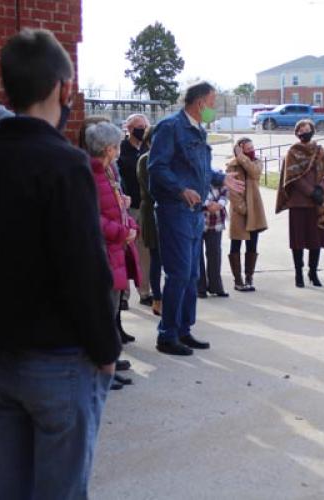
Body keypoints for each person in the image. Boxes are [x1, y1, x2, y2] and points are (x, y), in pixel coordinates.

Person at [0, 29, 119, 499]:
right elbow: (85, 271)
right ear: (62, 88)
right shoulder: (65, 165)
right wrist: (106, 349)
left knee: (13, 487)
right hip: (59, 362)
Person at [148, 81, 244, 356]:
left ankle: (183, 330)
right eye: (212, 104)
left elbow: (199, 170)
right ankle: (166, 335)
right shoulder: (170, 127)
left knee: (192, 275)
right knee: (178, 274)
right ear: (200, 102)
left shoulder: (198, 130)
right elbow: (157, 167)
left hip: (194, 212)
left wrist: (219, 177)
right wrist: (180, 189)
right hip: (174, 210)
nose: (214, 110)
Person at [85, 121, 141, 388]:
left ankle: (108, 364)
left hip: (115, 251)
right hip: (103, 253)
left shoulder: (107, 173)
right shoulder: (91, 176)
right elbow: (92, 218)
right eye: (118, 145)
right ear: (109, 149)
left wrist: (130, 226)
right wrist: (121, 231)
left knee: (111, 312)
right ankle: (100, 371)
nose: (120, 149)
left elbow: (116, 208)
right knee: (103, 316)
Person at [276, 119, 324, 288]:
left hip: (318, 203)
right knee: (298, 241)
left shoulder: (320, 151)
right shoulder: (292, 152)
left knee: (316, 240)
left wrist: (321, 190)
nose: (304, 130)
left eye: (307, 128)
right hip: (299, 202)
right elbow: (292, 177)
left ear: (312, 130)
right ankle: (298, 273)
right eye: (301, 128)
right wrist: (310, 191)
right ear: (297, 133)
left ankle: (313, 272)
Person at [118, 113, 152, 308]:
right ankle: (123, 295)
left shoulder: (149, 150)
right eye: (139, 126)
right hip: (128, 208)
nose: (142, 129)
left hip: (145, 207)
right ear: (129, 129)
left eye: (145, 126)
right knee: (125, 252)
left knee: (144, 252)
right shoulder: (122, 150)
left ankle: (145, 291)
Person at [226, 138, 267, 292]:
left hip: (254, 210)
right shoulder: (233, 166)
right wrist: (242, 208)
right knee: (236, 243)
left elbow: (254, 173)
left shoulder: (255, 162)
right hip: (240, 212)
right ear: (240, 149)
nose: (251, 150)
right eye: (247, 148)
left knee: (252, 244)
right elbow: (232, 191)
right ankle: (238, 280)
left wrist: (242, 157)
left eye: (252, 146)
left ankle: (249, 277)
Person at [137, 126, 162, 316]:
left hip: (167, 211)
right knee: (156, 257)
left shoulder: (166, 158)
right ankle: (157, 298)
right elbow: (153, 190)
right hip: (151, 212)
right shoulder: (146, 160)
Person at [198, 181, 229, 298]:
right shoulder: (195, 174)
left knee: (215, 253)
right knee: (197, 256)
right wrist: (207, 204)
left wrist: (220, 204)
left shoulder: (216, 175)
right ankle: (200, 288)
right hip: (199, 221)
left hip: (216, 222)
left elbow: (225, 191)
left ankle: (216, 286)